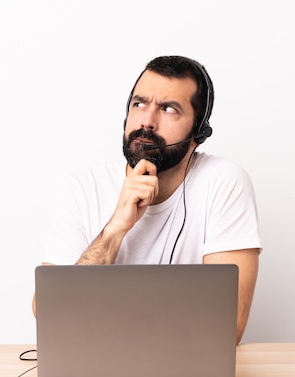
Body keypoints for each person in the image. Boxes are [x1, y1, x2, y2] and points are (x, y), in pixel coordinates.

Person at [35, 55, 262, 344]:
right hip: (95, 373)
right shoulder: (81, 188)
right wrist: (115, 228)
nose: (147, 121)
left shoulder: (223, 181)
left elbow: (228, 325)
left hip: (187, 375)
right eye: (139, 104)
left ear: (198, 132)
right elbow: (48, 312)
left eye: (168, 109)